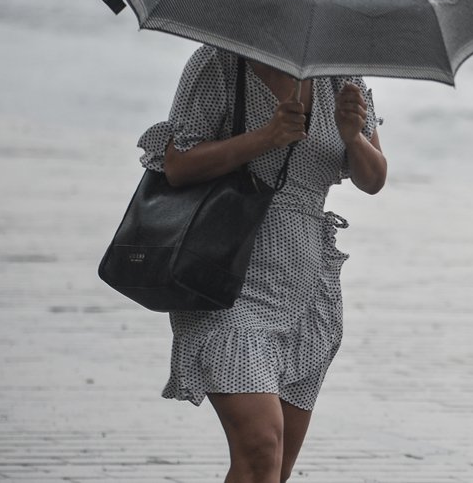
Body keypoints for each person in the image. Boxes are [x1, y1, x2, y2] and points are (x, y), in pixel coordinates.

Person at [137, 45, 388, 483]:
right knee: (260, 448)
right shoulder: (219, 62)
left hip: (308, 288)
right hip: (224, 276)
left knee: (275, 468)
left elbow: (374, 178)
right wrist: (265, 137)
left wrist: (353, 136)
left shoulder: (343, 78)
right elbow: (176, 165)